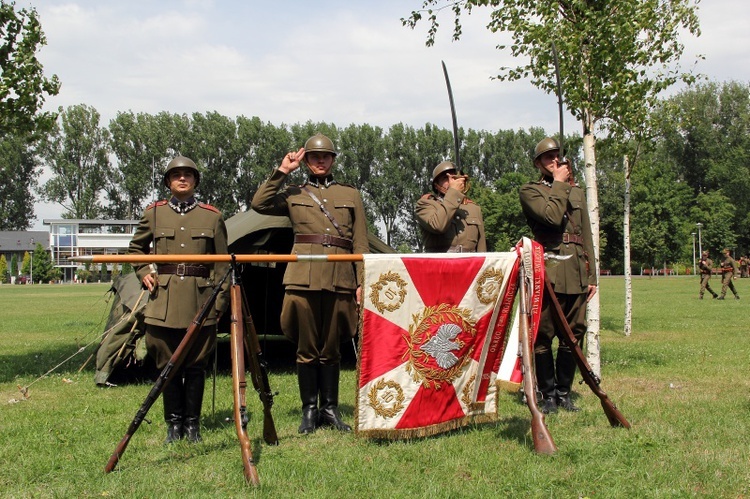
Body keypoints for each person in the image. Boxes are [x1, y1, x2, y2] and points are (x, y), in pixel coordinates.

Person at [251, 133, 368, 434]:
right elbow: (259, 204)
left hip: (339, 277)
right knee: (306, 348)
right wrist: (282, 171)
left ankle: (330, 410)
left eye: (325, 156)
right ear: (307, 161)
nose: (319, 160)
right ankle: (309, 410)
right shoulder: (292, 191)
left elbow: (360, 241)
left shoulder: (350, 194)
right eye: (314, 156)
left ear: (332, 160)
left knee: (331, 348)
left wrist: (362, 281)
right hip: (302, 277)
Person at [128, 156, 230, 443]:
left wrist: (219, 302)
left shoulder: (212, 216)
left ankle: (192, 424)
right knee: (166, 363)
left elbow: (222, 264)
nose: (182, 179)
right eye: (176, 175)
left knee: (196, 364)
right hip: (164, 299)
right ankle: (173, 424)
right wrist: (143, 270)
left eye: (188, 175)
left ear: (195, 181)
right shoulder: (154, 213)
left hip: (201, 299)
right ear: (168, 182)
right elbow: (135, 249)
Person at [519, 138, 597, 414]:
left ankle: (564, 393)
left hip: (576, 269)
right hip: (548, 269)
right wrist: (561, 183)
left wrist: (592, 276)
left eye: (557, 157)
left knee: (574, 333)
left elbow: (585, 233)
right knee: (544, 334)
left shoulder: (576, 192)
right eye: (548, 158)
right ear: (539, 164)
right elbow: (551, 218)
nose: (554, 161)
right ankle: (547, 393)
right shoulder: (531, 190)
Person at [415, 161, 486, 252]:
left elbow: (481, 248)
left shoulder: (474, 208)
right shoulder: (425, 204)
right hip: (441, 264)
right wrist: (453, 193)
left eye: (455, 177)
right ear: (436, 185)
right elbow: (438, 225)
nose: (452, 181)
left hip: (469, 264)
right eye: (446, 178)